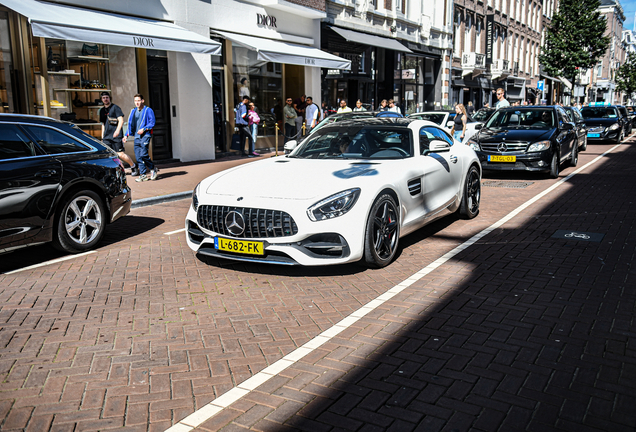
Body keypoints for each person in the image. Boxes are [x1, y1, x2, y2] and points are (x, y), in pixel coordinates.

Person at [99, 91, 137, 175]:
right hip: (106, 137)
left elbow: (121, 120)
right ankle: (117, 171)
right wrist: (102, 136)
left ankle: (133, 166)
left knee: (120, 154)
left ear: (109, 98)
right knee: (109, 155)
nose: (105, 99)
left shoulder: (115, 108)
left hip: (116, 136)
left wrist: (117, 131)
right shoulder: (102, 110)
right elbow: (103, 124)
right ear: (101, 99)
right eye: (103, 98)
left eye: (107, 97)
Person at [123, 94, 157, 182]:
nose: (137, 103)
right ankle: (143, 175)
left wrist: (144, 129)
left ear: (142, 101)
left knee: (143, 154)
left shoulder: (148, 110)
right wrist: (126, 135)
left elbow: (152, 122)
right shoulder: (133, 111)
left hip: (145, 135)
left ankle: (153, 168)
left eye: (138, 100)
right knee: (138, 156)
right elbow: (130, 124)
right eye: (135, 101)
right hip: (137, 136)